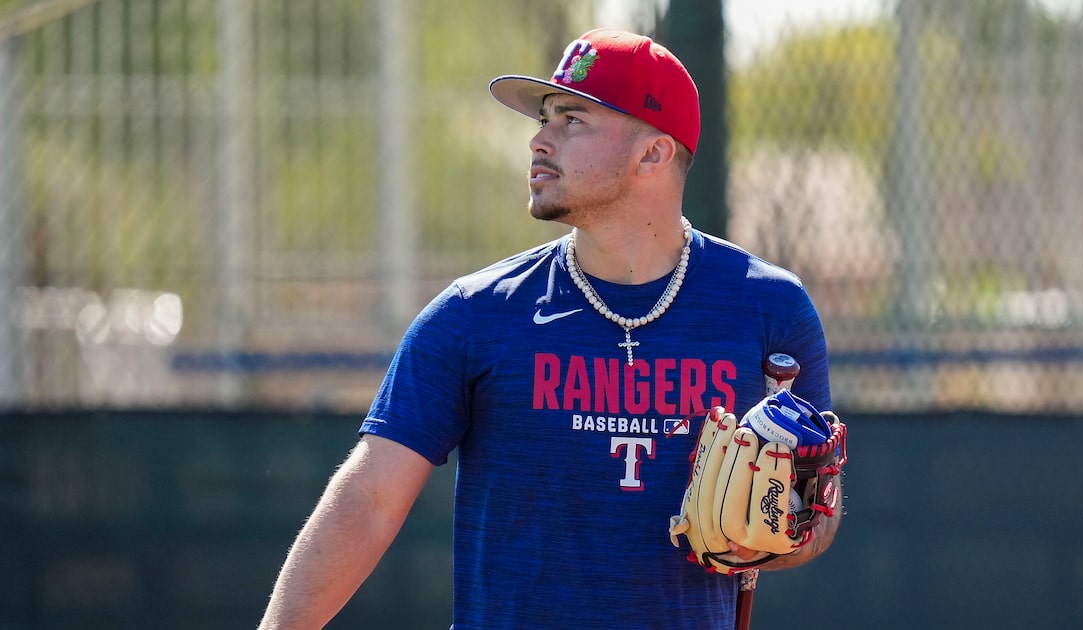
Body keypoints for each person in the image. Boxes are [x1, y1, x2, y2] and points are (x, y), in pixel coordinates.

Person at [259, 27, 839, 629]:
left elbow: (821, 512)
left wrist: (775, 537)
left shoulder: (769, 308)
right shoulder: (474, 314)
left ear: (654, 153)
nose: (539, 139)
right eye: (544, 119)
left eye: (573, 120)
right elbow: (370, 499)